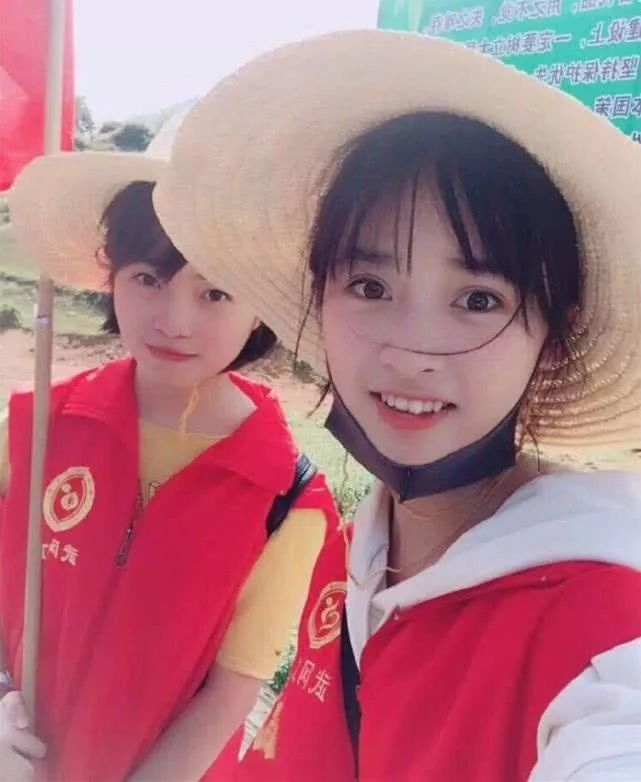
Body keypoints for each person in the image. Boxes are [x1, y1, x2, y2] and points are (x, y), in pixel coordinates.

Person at [154, 30, 641, 781]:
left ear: (553, 336)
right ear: (319, 298)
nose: (412, 352)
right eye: (371, 286)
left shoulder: (602, 624)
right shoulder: (359, 553)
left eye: (477, 299)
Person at [0, 146, 341, 781]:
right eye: (148, 279)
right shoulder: (35, 427)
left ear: (260, 306)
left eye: (214, 292)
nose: (174, 321)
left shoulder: (289, 499)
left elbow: (233, 689)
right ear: (112, 276)